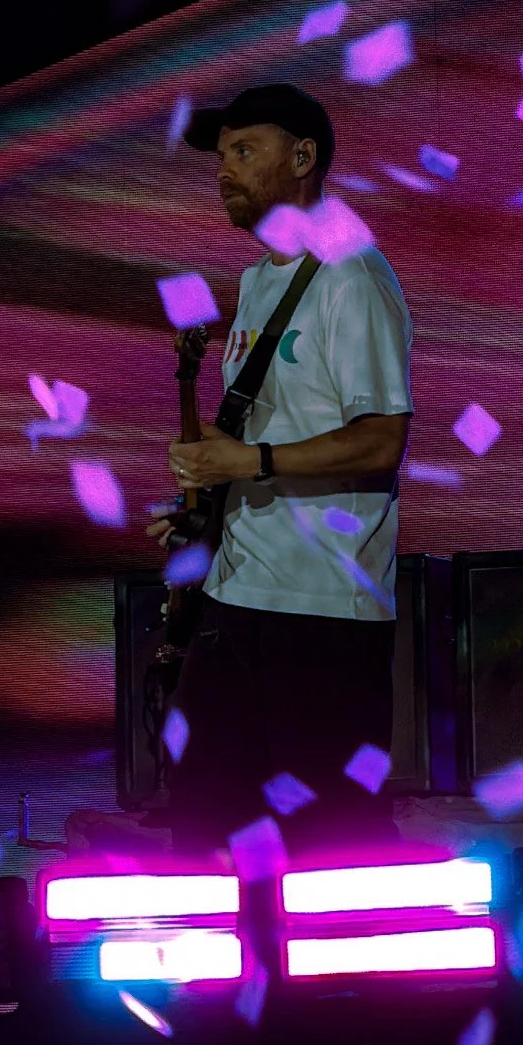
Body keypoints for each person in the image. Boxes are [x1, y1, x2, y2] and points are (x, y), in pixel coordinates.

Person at [149, 83, 413, 854]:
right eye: (220, 155)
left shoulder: (352, 277)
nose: (224, 170)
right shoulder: (259, 280)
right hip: (236, 597)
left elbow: (382, 440)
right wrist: (212, 482)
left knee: (329, 848)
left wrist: (253, 459)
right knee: (204, 831)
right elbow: (276, 426)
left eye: (244, 150)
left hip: (323, 610)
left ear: (303, 157)